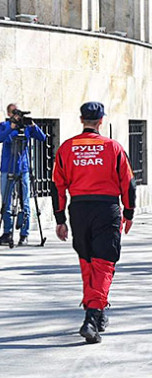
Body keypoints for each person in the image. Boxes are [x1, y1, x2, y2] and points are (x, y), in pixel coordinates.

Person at [51, 102, 136, 344]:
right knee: (104, 264)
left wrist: (60, 219)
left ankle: (96, 315)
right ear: (101, 121)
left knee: (87, 262)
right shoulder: (113, 147)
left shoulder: (67, 148)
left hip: (78, 209)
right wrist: (128, 213)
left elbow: (57, 185)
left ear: (81, 120)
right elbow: (128, 183)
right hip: (106, 209)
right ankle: (92, 316)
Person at [0, 103, 47, 247]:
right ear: (9, 114)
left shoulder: (26, 127)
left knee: (25, 202)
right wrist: (11, 127)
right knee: (6, 202)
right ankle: (7, 232)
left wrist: (32, 125)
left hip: (24, 168)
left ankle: (24, 234)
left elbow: (43, 137)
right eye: (14, 113)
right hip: (8, 168)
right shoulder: (4, 125)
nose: (17, 116)